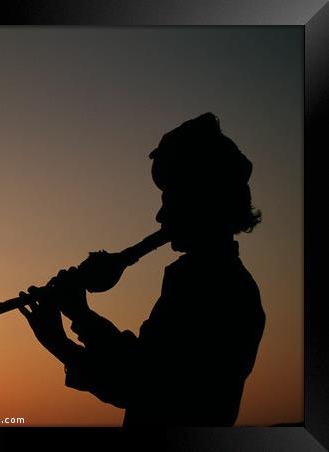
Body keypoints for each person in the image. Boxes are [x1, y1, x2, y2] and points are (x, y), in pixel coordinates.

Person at [18, 113, 265, 426]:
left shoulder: (217, 287)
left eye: (171, 198)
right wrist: (73, 326)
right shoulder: (209, 280)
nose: (160, 216)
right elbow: (145, 373)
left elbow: (142, 385)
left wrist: (69, 330)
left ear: (202, 201)